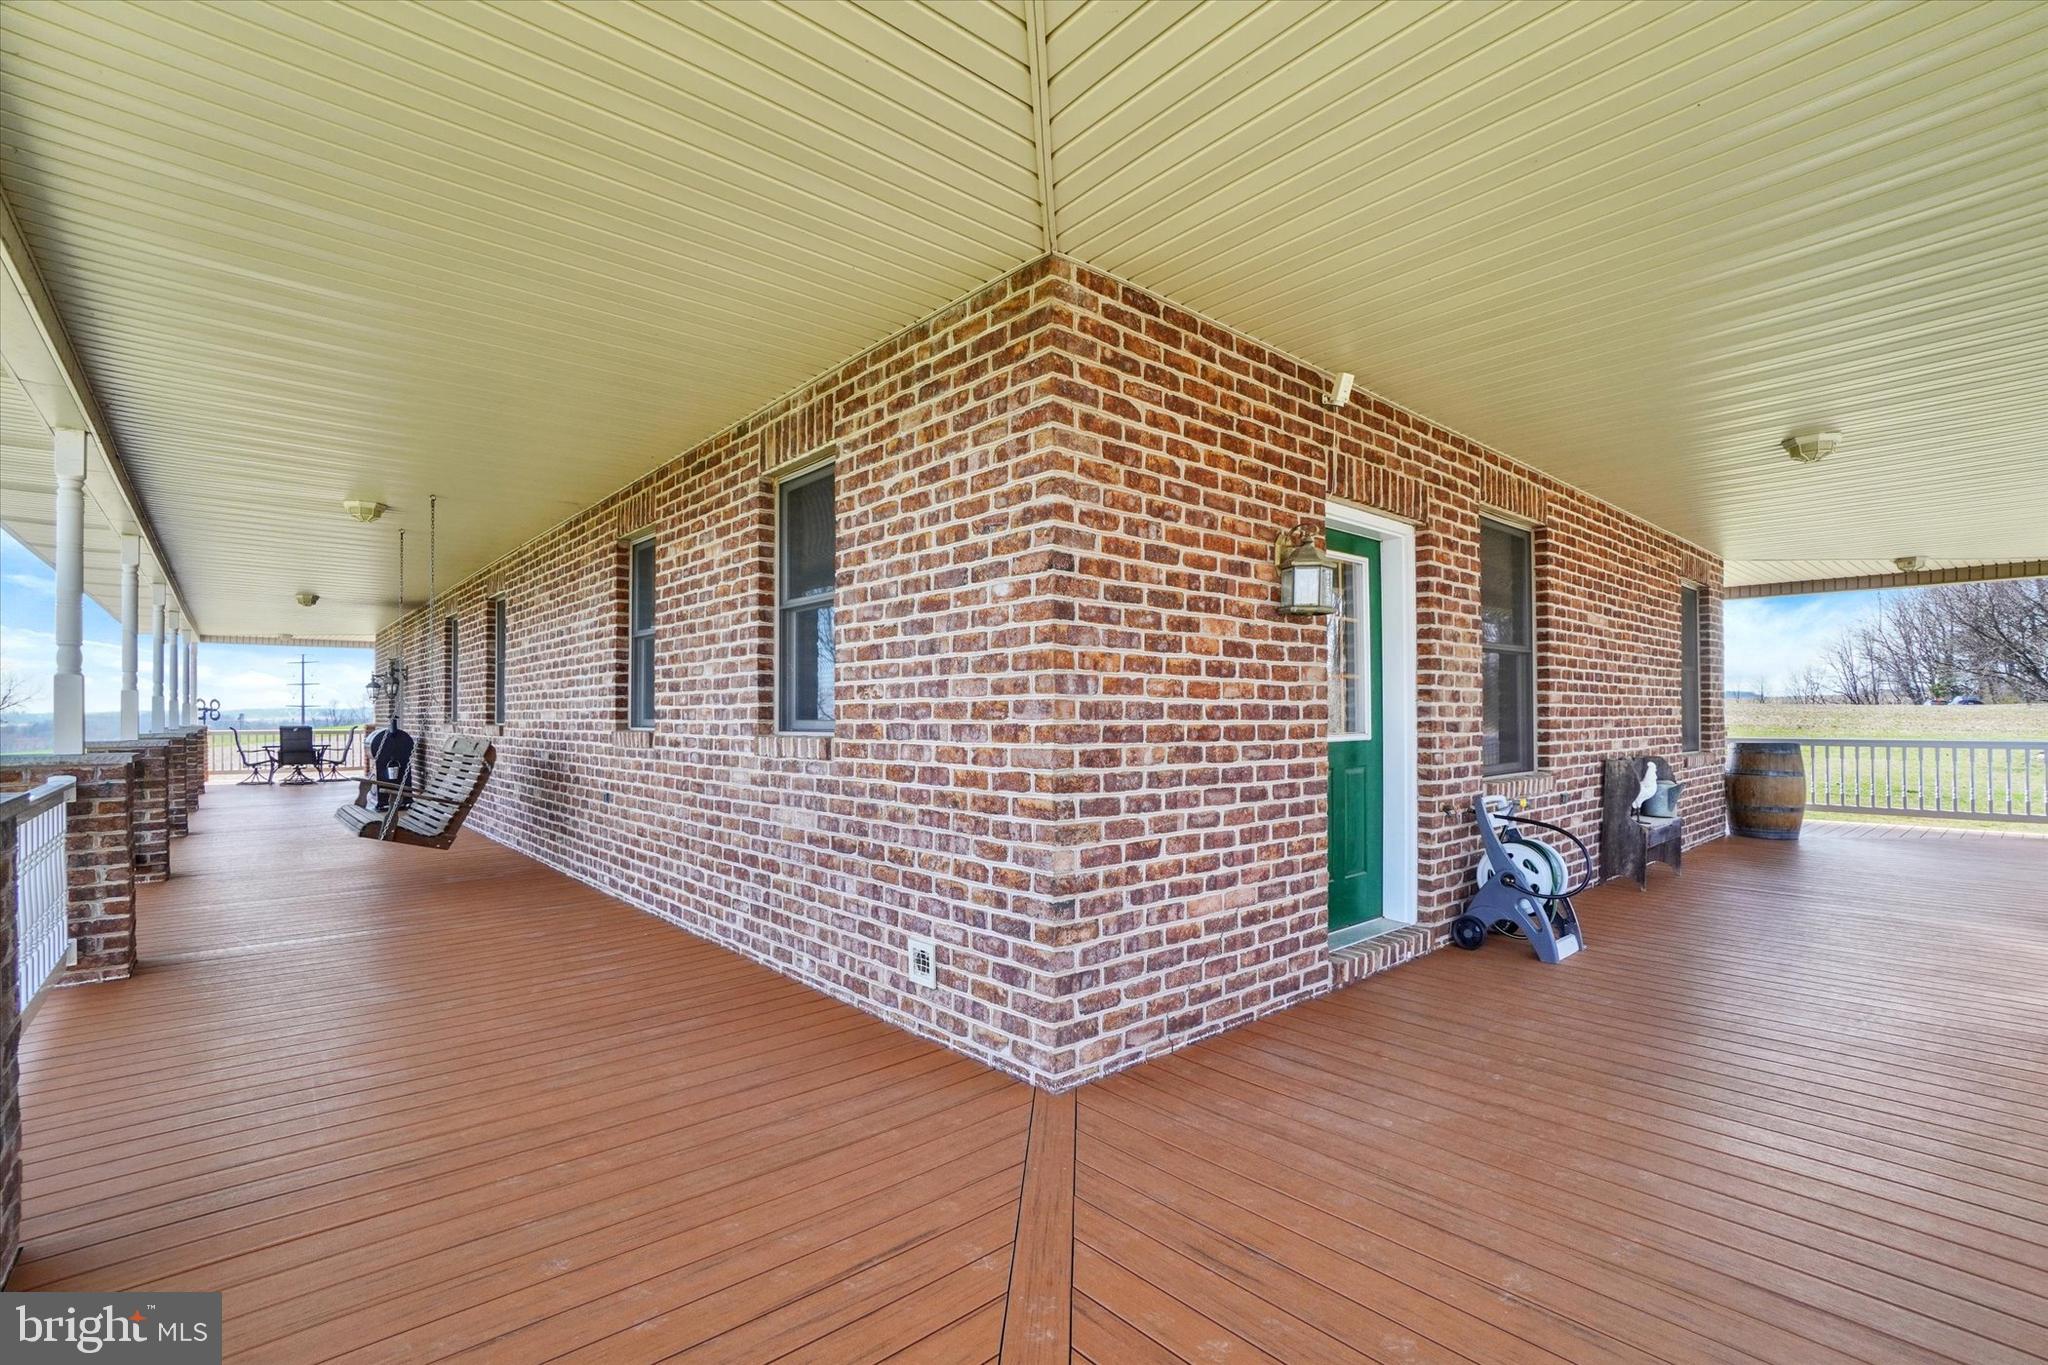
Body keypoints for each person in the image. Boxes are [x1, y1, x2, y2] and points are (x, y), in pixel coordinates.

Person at [366, 723, 415, 811]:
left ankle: (403, 800)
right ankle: (382, 800)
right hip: (383, 765)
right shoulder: (379, 738)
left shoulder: (404, 739)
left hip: (399, 765)